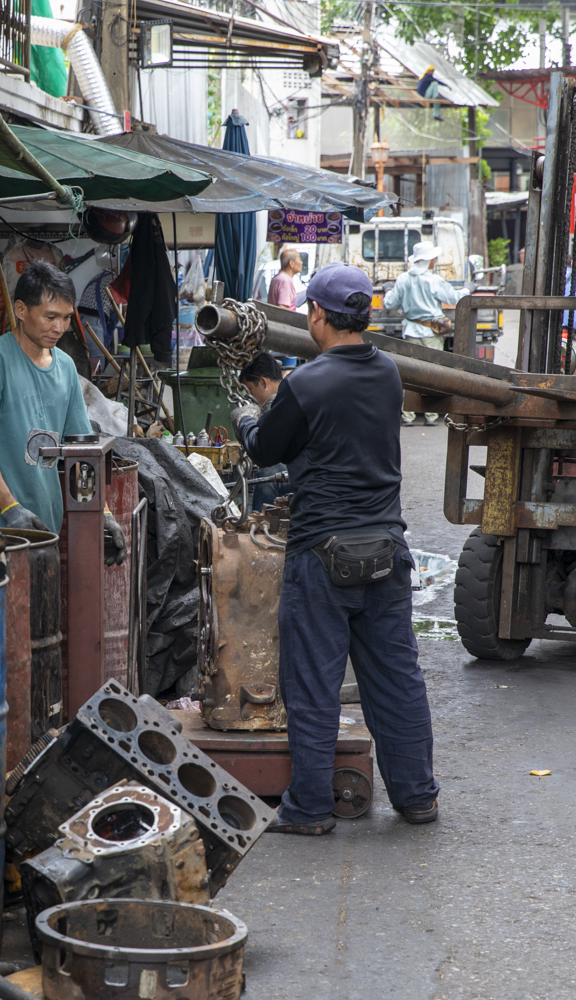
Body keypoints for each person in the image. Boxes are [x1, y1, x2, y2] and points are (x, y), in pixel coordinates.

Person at [231, 262, 439, 836]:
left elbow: (267, 450)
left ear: (317, 315)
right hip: (386, 549)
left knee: (313, 685)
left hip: (321, 555)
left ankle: (309, 809)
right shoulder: (388, 374)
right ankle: (417, 797)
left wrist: (248, 418)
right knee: (397, 678)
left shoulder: (306, 383)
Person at [0, 260, 126, 563]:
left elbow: (82, 452)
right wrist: (11, 508)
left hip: (46, 527)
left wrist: (101, 514)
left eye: (66, 317)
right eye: (50, 316)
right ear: (22, 310)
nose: (60, 327)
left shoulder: (65, 367)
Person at [383, 240, 460, 425]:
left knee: (409, 374)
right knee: (433, 373)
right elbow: (455, 298)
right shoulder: (434, 280)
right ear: (428, 260)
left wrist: (387, 291)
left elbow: (390, 304)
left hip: (411, 331)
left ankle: (408, 415)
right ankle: (431, 415)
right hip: (432, 333)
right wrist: (468, 290)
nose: (435, 260)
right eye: (433, 258)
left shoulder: (402, 279)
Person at [238, 352, 287, 509]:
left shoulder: (285, 401)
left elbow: (266, 452)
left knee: (268, 474)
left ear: (263, 382)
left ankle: (258, 524)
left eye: (251, 390)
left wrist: (245, 420)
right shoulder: (290, 394)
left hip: (312, 478)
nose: (250, 397)